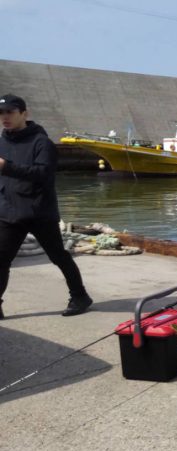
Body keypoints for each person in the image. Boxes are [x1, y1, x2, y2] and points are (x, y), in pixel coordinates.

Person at [0, 94, 93, 318]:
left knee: (58, 256)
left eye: (10, 112)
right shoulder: (1, 141)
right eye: (1, 113)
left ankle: (80, 296)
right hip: (9, 211)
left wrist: (6, 167)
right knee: (1, 260)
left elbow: (43, 174)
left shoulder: (42, 142)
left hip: (39, 212)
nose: (5, 117)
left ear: (24, 114)